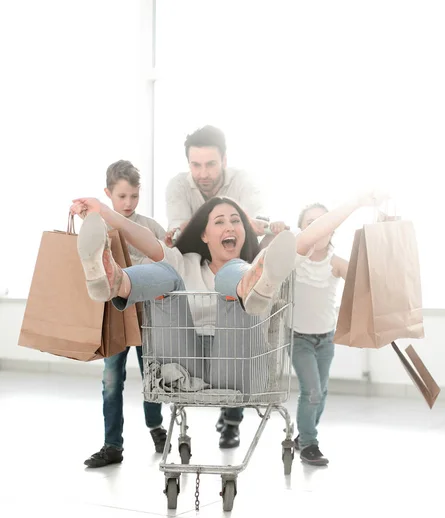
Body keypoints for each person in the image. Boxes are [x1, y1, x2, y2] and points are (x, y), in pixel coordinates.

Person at [70, 192, 386, 450]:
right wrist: (103, 213)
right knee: (165, 272)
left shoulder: (248, 262)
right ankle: (113, 280)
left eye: (235, 220)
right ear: (204, 234)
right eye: (219, 221)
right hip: (183, 367)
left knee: (234, 274)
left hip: (237, 367)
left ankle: (250, 286)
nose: (229, 226)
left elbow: (308, 236)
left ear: (245, 231)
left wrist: (356, 203)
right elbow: (144, 239)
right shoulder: (186, 262)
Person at [164, 124, 287, 441]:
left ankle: (232, 418)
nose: (202, 173)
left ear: (225, 160)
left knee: (241, 321)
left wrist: (230, 222)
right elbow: (179, 236)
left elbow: (254, 228)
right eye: (195, 165)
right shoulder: (178, 186)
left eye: (210, 164)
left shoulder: (244, 181)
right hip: (198, 266)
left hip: (239, 262)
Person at [84, 160, 168, 469]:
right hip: (116, 317)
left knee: (153, 375)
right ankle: (112, 444)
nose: (128, 203)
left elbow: (166, 255)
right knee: (111, 379)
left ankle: (156, 427)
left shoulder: (148, 226)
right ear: (108, 194)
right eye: (121, 197)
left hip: (148, 314)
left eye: (133, 196)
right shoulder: (100, 226)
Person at [289, 202, 350, 467]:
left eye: (322, 222)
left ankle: (304, 435)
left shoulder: (335, 263)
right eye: (309, 223)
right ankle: (309, 444)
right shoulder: (294, 261)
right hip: (298, 338)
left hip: (326, 339)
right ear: (301, 230)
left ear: (331, 229)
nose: (316, 227)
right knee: (311, 391)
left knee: (321, 393)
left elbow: (365, 280)